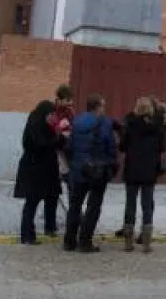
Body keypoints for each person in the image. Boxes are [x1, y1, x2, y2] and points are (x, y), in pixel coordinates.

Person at [64, 94, 117, 253]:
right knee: (93, 206)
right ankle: (85, 242)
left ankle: (69, 241)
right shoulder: (105, 123)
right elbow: (111, 147)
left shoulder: (77, 121)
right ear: (98, 107)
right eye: (103, 106)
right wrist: (111, 163)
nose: (104, 109)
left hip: (79, 170)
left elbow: (69, 147)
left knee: (75, 206)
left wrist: (74, 164)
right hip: (97, 171)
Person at [119, 97, 166, 253]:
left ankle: (128, 242)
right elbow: (162, 147)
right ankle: (146, 242)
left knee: (130, 204)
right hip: (149, 170)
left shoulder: (130, 123)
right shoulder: (157, 127)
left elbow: (122, 146)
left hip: (132, 169)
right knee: (147, 204)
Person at [14, 101, 64, 244]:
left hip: (48, 170)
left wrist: (59, 135)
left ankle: (50, 227)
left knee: (52, 197)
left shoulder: (49, 126)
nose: (53, 117)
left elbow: (58, 145)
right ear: (44, 114)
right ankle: (27, 235)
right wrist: (56, 136)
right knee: (32, 202)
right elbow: (41, 145)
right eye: (51, 114)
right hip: (33, 171)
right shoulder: (34, 126)